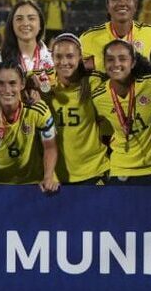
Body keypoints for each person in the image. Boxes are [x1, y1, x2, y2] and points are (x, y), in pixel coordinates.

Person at [0, 59, 59, 191]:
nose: (7, 90)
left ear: (22, 84)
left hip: (32, 185)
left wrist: (48, 176)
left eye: (12, 83)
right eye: (1, 83)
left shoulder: (37, 108)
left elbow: (50, 147)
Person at [90, 40, 151, 185]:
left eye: (122, 59)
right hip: (120, 168)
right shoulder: (98, 97)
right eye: (110, 60)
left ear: (133, 63)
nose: (116, 64)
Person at [46, 34, 108, 185]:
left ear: (80, 57)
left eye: (70, 56)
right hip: (56, 177)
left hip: (93, 172)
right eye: (58, 56)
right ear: (51, 58)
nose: (64, 62)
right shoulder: (43, 86)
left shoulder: (94, 82)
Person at [80, 0, 151, 71]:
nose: (122, 3)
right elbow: (71, 71)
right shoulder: (89, 38)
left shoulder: (150, 32)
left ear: (135, 5)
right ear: (108, 6)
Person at [0, 0, 54, 92]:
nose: (25, 23)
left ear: (40, 25)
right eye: (19, 19)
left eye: (31, 18)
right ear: (12, 25)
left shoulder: (55, 60)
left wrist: (43, 91)